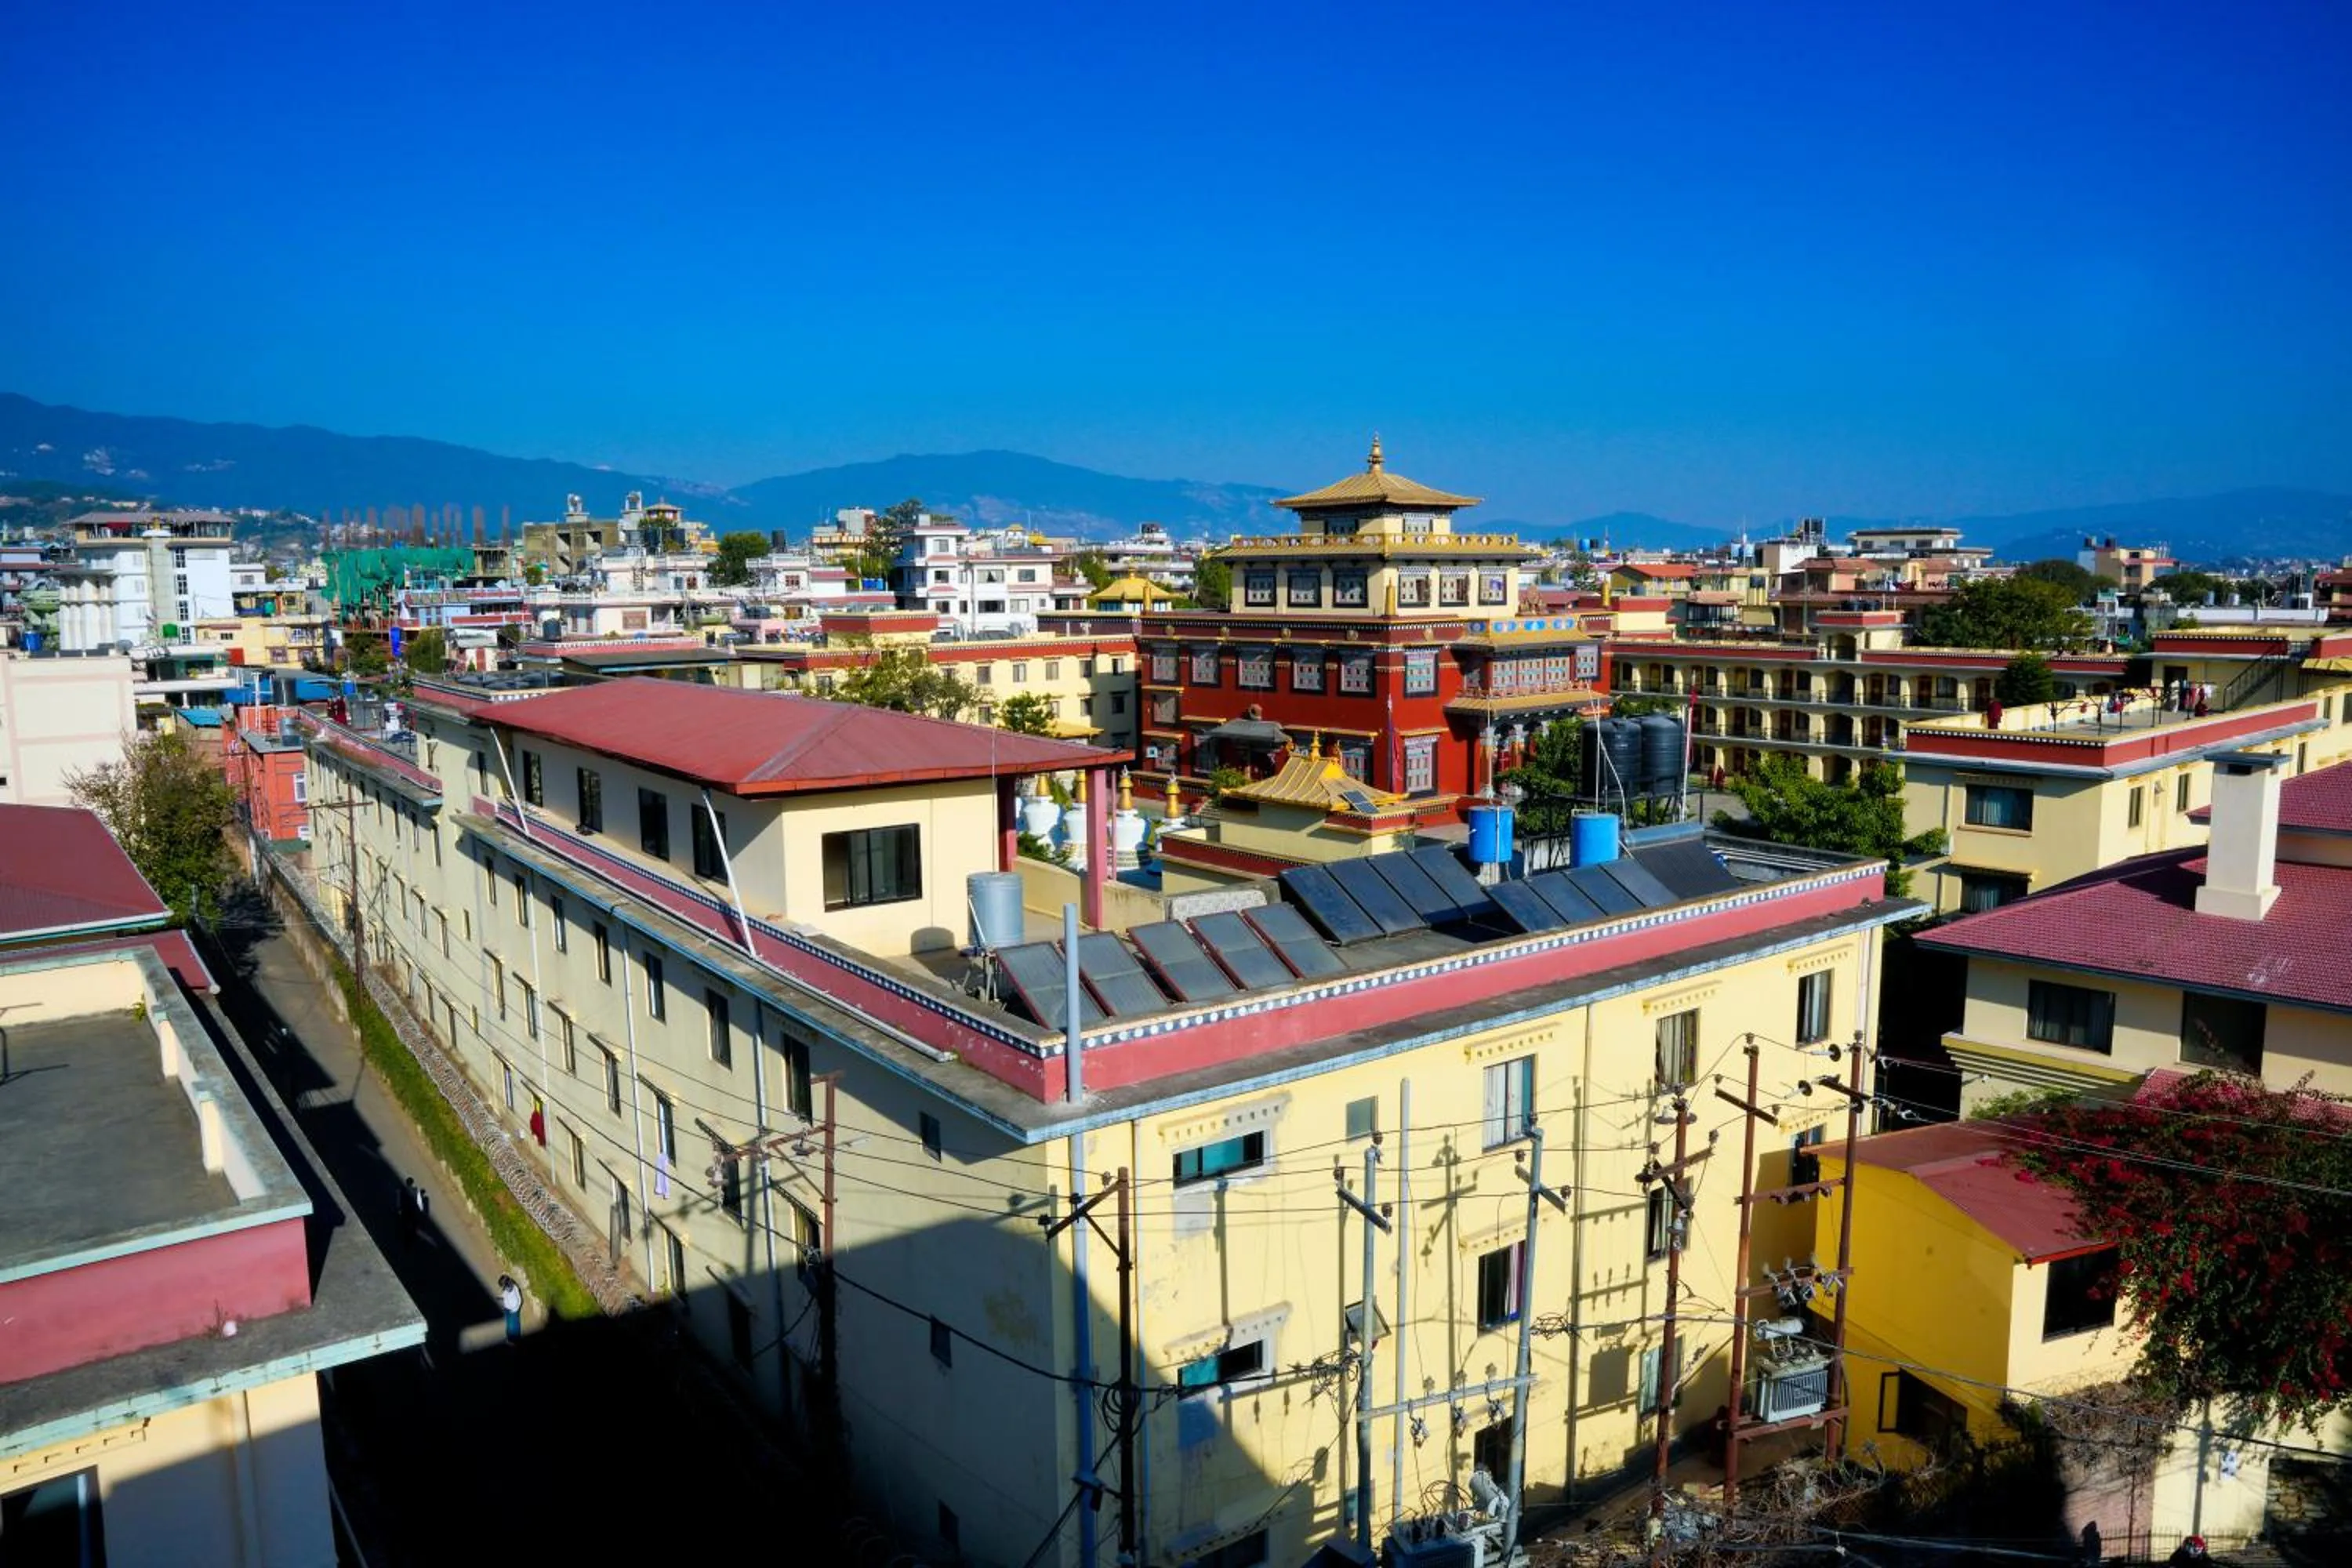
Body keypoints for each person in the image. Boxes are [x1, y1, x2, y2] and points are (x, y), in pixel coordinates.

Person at [499, 1275, 524, 1344]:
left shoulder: (513, 1299)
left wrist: (506, 1305)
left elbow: (513, 1305)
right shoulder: (512, 1286)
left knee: (513, 1327)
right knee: (509, 1324)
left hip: (512, 1311)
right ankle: (509, 1336)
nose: (503, 1289)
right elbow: (505, 1294)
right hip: (508, 1308)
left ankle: (514, 1341)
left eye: (503, 1287)